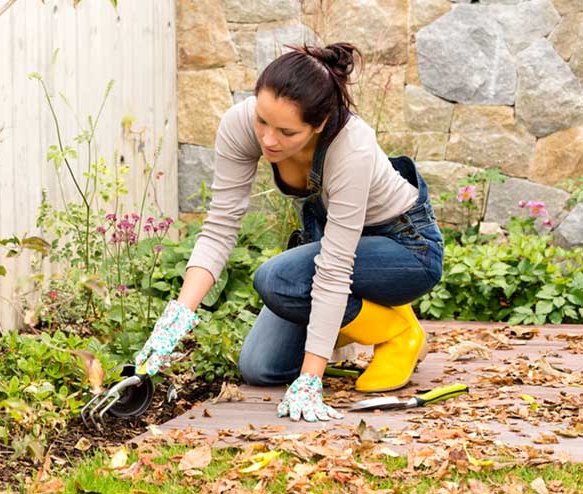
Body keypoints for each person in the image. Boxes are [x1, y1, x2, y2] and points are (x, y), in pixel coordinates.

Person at [134, 42, 444, 423]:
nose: (268, 139)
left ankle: (397, 331)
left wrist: (310, 380)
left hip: (406, 250)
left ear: (320, 123)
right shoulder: (240, 124)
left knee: (278, 279)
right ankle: (369, 319)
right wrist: (178, 316)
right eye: (262, 120)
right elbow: (219, 226)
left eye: (286, 131)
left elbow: (333, 268)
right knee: (261, 368)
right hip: (337, 248)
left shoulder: (352, 146)